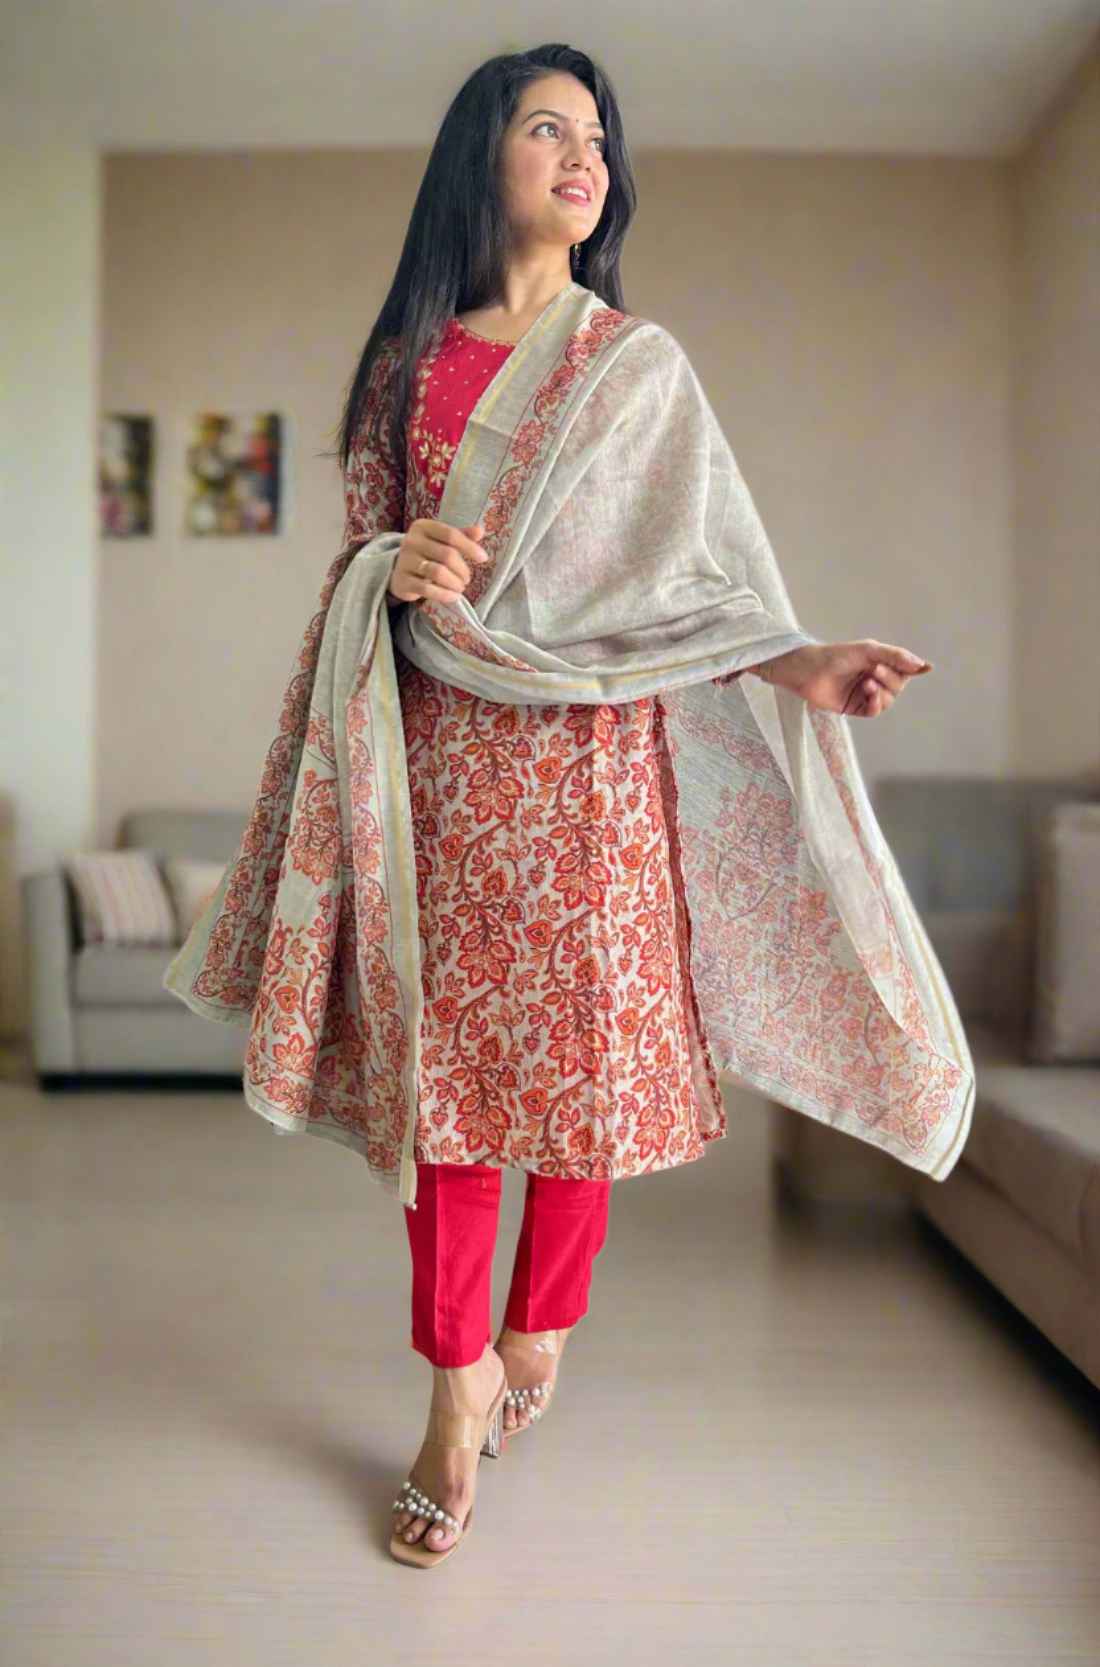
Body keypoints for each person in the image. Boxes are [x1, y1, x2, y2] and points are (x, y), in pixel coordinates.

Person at [329, 44, 933, 1567]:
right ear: (486, 159)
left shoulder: (637, 367)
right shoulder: (405, 368)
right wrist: (389, 568)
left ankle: (543, 1321)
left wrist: (805, 661)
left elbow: (695, 587)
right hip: (456, 760)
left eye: (596, 136)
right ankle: (455, 1392)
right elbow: (357, 557)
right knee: (455, 1087)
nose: (582, 156)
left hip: (600, 773)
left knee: (588, 1070)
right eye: (547, 129)